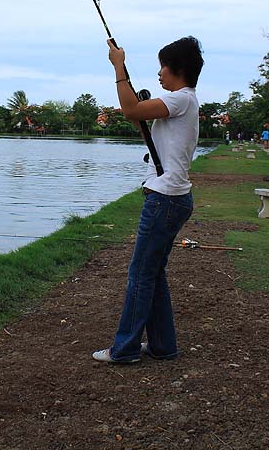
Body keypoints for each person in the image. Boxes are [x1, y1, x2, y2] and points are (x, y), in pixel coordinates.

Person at [93, 36, 202, 363]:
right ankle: (162, 345)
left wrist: (118, 67)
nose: (159, 74)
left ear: (178, 70)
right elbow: (141, 120)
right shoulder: (183, 103)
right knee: (153, 273)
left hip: (165, 199)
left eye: (163, 67)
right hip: (174, 198)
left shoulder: (181, 99)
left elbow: (129, 110)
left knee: (140, 274)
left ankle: (124, 349)